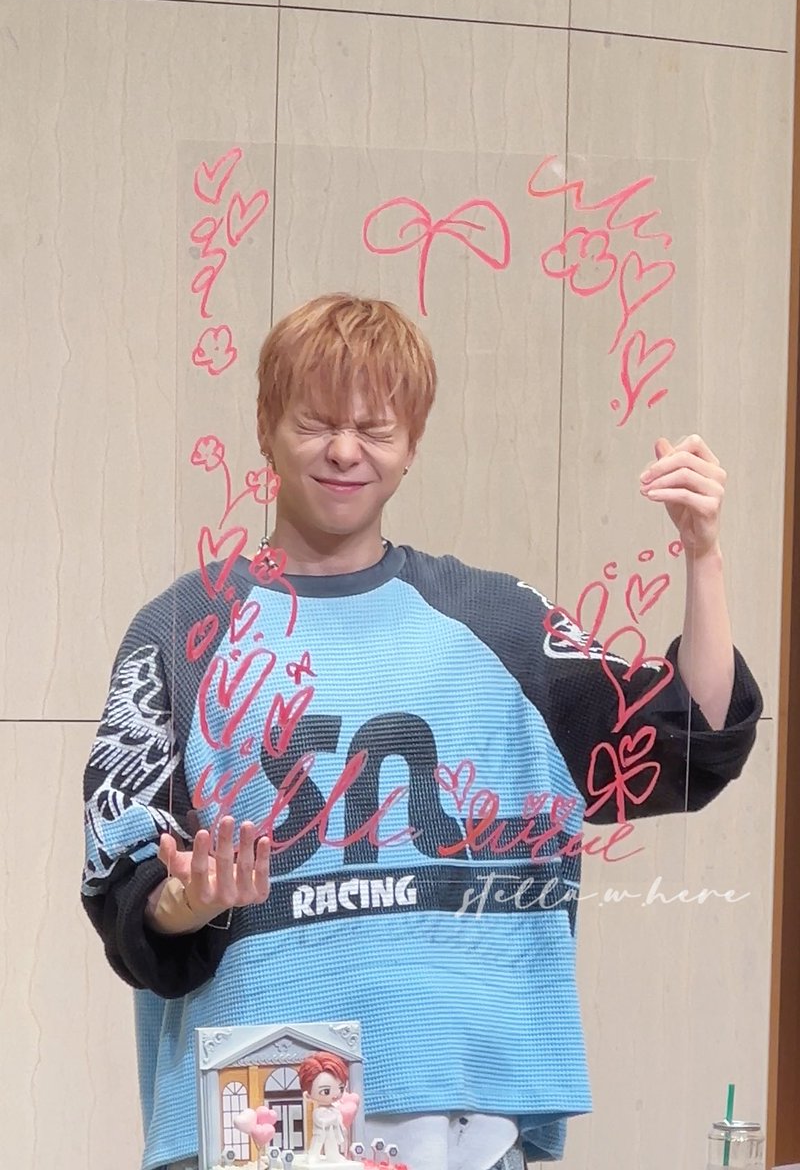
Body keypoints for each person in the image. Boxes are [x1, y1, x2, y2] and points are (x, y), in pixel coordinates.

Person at [81, 294, 762, 1170]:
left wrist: (703, 553)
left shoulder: (500, 625)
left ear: (412, 446)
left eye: (375, 428)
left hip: (464, 1123)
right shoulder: (182, 631)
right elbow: (121, 883)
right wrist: (187, 902)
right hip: (251, 1124)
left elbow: (691, 744)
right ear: (264, 427)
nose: (344, 451)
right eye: (316, 422)